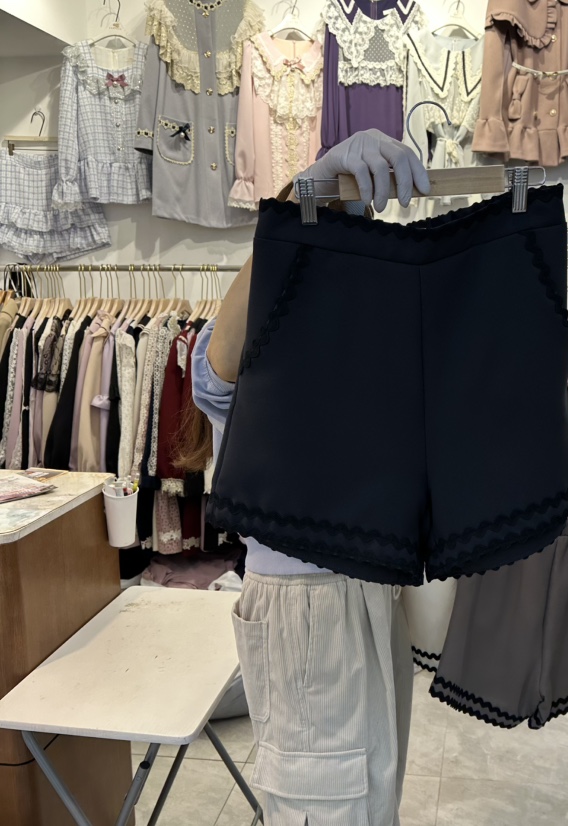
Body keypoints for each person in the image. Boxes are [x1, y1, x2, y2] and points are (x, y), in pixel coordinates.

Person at [190, 130, 431, 826]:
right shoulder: (268, 318)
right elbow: (211, 377)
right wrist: (303, 200)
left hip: (367, 592)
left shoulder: (359, 336)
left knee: (368, 799)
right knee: (325, 806)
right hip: (306, 600)